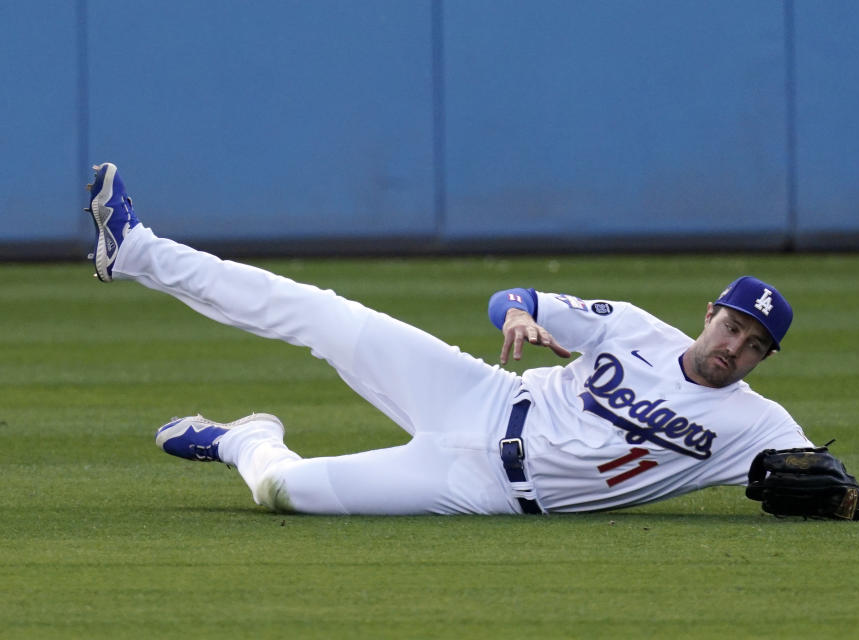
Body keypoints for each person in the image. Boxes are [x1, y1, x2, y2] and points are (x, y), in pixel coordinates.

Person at [86, 162, 813, 516]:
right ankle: (137, 249)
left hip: (479, 490)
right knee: (322, 313)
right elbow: (513, 297)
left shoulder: (757, 425)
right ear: (710, 311)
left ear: (763, 359)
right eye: (733, 325)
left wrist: (836, 500)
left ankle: (241, 439)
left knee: (282, 490)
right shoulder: (633, 330)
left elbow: (826, 483)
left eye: (753, 345)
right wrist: (519, 316)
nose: (734, 347)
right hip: (484, 396)